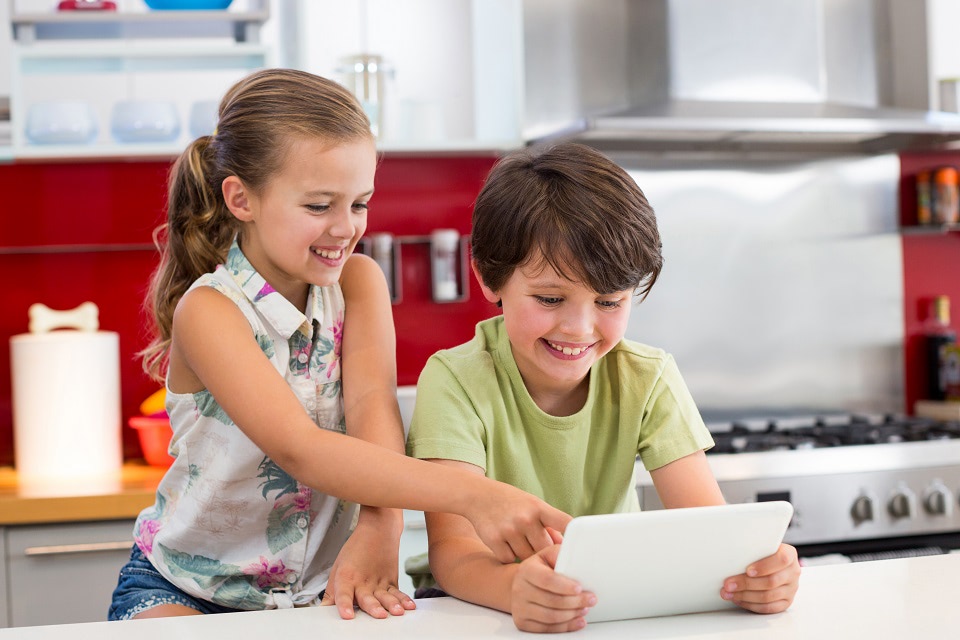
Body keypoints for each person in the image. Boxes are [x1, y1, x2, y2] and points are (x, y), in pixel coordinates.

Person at [107, 68, 570, 623]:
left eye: (359, 203)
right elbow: (300, 449)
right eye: (319, 205)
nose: (345, 227)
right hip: (189, 589)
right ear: (241, 199)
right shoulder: (210, 311)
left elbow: (373, 408)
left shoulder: (359, 284)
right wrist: (474, 495)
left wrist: (383, 523)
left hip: (328, 589)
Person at [405, 142, 802, 633]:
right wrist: (514, 588)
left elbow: (708, 530)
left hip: (604, 605)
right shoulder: (455, 379)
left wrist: (759, 574)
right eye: (550, 298)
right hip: (473, 606)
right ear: (490, 278)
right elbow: (454, 553)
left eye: (609, 301)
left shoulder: (647, 377)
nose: (579, 327)